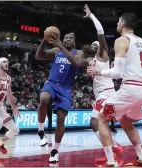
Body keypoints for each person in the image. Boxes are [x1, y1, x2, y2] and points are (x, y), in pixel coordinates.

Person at [87, 13, 142, 167]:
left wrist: (99, 72)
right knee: (126, 121)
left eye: (118, 22)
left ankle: (111, 161)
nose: (117, 24)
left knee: (98, 120)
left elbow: (117, 73)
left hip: (132, 89)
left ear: (122, 23)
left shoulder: (121, 40)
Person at [35, 31, 91, 162]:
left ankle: (55, 150)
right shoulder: (56, 50)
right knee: (43, 99)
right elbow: (38, 56)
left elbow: (76, 63)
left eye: (70, 38)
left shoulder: (78, 52)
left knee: (61, 118)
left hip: (65, 88)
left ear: (74, 41)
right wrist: (44, 40)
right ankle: (41, 130)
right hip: (52, 83)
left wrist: (61, 46)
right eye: (65, 38)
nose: (67, 39)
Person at [83, 4, 123, 159]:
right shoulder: (92, 60)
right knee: (101, 124)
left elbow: (100, 33)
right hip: (101, 94)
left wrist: (92, 16)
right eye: (92, 44)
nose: (93, 45)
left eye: (96, 44)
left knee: (94, 122)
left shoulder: (103, 55)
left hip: (106, 94)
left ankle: (113, 150)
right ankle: (114, 148)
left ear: (101, 48)